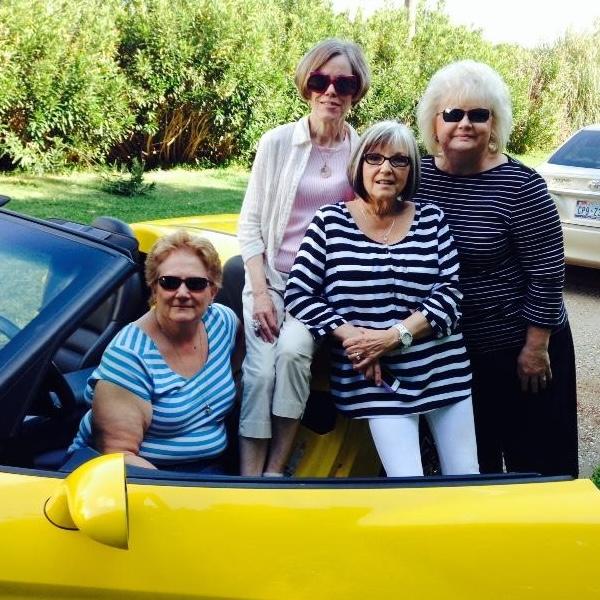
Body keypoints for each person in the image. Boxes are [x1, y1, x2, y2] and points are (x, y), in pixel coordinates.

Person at [285, 121, 479, 477]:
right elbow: (298, 292)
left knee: (466, 480)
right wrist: (357, 340)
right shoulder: (329, 223)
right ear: (359, 165)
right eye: (374, 158)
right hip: (375, 380)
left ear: (411, 170)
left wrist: (392, 338)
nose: (386, 169)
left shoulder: (432, 220)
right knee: (407, 485)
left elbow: (451, 294)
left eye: (399, 161)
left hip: (442, 370)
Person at [414, 60, 578, 477]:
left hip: (522, 346)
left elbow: (546, 271)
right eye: (453, 114)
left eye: (478, 114)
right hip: (456, 351)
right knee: (474, 463)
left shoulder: (521, 186)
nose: (464, 124)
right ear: (435, 122)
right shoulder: (417, 178)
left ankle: (544, 539)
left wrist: (535, 347)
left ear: (495, 123)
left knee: (536, 461)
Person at [237, 38, 371, 476]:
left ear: (356, 90)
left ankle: (275, 472)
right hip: (270, 281)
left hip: (318, 290)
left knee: (294, 354)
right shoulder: (276, 143)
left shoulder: (362, 153)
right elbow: (250, 224)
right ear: (307, 85)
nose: (331, 91)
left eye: (343, 83)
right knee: (258, 373)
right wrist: (259, 293)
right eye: (320, 80)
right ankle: (248, 476)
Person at [68, 230, 243, 473]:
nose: (182, 293)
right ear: (154, 289)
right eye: (169, 282)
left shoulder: (222, 323)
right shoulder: (129, 357)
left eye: (195, 283)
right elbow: (119, 456)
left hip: (209, 468)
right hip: (147, 476)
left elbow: (237, 363)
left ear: (212, 291)